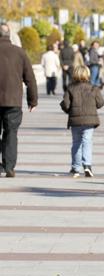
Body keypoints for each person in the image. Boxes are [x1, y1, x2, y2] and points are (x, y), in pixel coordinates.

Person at [0, 23, 38, 178]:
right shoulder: (20, 53)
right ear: (9, 35)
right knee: (11, 133)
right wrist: (32, 100)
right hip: (13, 101)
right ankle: (9, 167)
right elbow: (30, 79)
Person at [60, 65, 104, 178]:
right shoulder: (94, 88)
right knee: (87, 141)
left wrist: (65, 108)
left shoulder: (70, 88)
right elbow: (100, 103)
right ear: (88, 75)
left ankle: (75, 168)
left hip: (75, 120)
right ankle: (87, 166)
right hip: (90, 121)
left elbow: (66, 104)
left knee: (76, 143)